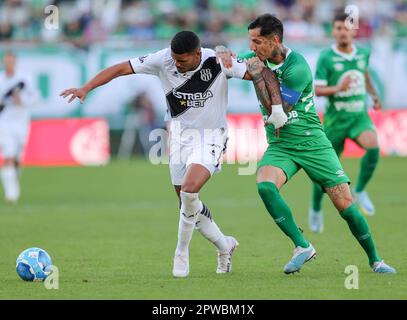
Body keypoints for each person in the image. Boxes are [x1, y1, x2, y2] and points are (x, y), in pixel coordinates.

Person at [217, 14, 395, 274]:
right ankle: (302, 246)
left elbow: (277, 113)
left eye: (257, 42)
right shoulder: (256, 56)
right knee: (266, 186)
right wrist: (222, 53)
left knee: (344, 205)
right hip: (282, 145)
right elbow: (227, 61)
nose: (252, 47)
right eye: (250, 42)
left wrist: (256, 77)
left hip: (313, 143)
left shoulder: (297, 67)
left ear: (274, 40)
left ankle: (376, 260)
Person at [60, 31, 247, 278]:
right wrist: (86, 88)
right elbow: (119, 69)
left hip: (211, 136)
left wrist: (276, 104)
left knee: (191, 190)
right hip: (179, 137)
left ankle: (181, 252)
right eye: (175, 59)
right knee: (186, 204)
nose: (177, 65)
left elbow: (254, 71)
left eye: (183, 61)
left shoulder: (217, 60)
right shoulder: (162, 60)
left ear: (198, 55)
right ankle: (225, 245)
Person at [309, 12, 382, 233]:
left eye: (345, 28)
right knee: (324, 174)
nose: (342, 32)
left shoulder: (363, 53)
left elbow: (365, 74)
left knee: (373, 147)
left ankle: (359, 190)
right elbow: (318, 89)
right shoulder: (326, 57)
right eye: (338, 28)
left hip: (359, 117)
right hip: (335, 122)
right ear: (333, 31)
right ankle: (315, 208)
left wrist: (374, 95)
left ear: (353, 30)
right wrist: (338, 89)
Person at [0, 51, 38, 204]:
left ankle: (13, 180)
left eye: (11, 61)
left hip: (21, 122)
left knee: (17, 158)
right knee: (8, 155)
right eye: (6, 61)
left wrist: (21, 99)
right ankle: (11, 193)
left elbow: (35, 97)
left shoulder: (24, 79)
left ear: (15, 62)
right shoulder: (1, 80)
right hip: (4, 123)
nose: (8, 63)